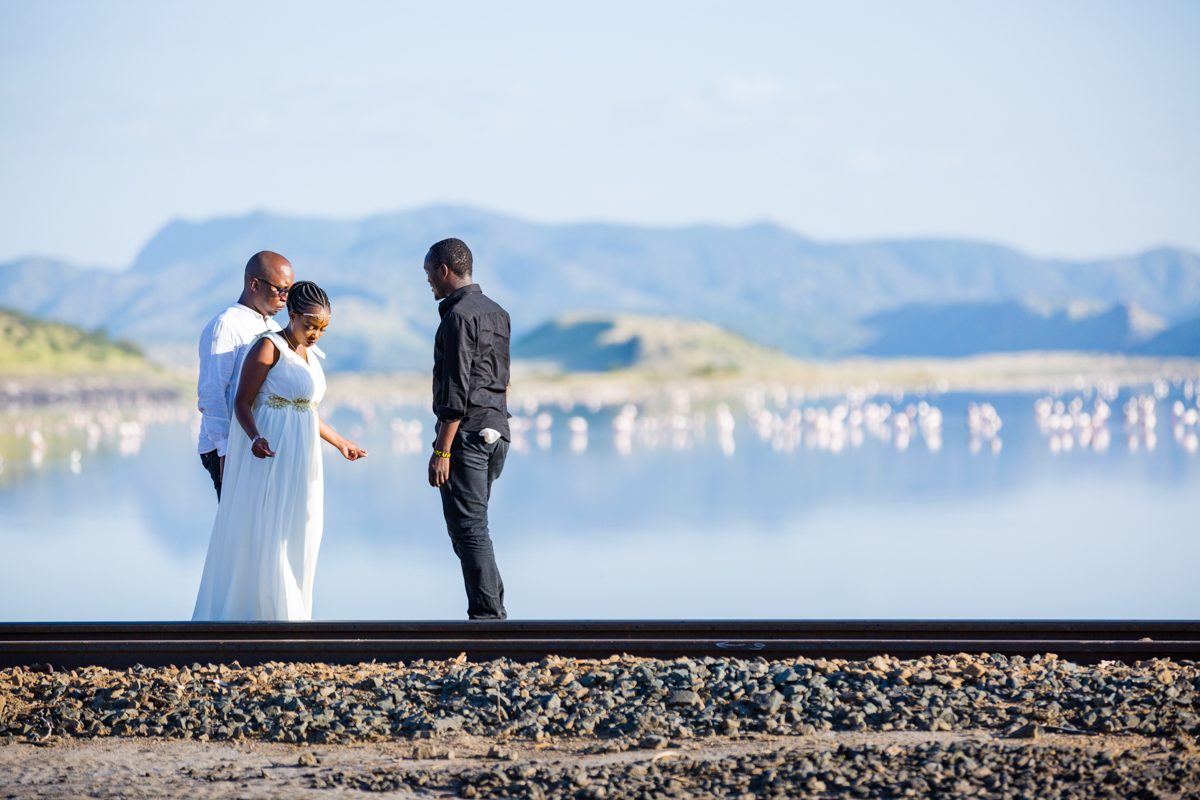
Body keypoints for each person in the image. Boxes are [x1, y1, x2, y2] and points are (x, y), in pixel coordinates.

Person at [192, 281, 367, 621]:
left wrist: (341, 441)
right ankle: (263, 617)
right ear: (293, 315)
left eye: (322, 328)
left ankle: (292, 615)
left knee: (300, 527)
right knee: (268, 532)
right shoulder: (268, 347)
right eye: (310, 326)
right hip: (270, 452)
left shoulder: (309, 353)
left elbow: (307, 409)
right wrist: (255, 437)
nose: (316, 333)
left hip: (302, 455)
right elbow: (242, 402)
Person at [424, 238, 512, 620]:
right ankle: (493, 612)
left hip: (467, 435)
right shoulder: (498, 312)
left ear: (444, 270)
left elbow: (456, 388)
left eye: (429, 272)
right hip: (497, 432)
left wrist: (442, 450)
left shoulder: (458, 316)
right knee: (474, 527)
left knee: (470, 529)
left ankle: (488, 620)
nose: (428, 280)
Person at [196, 251, 294, 499]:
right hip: (228, 448)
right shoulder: (225, 326)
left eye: (289, 291)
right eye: (280, 290)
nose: (285, 298)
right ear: (254, 284)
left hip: (256, 444)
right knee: (238, 531)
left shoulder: (273, 328)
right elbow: (211, 394)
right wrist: (226, 450)